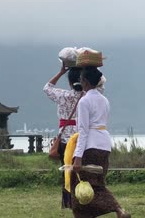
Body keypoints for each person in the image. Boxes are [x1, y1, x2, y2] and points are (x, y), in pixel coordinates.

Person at [70, 66, 130, 218]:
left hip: (90, 146)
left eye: (82, 79)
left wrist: (77, 157)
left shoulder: (84, 101)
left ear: (85, 82)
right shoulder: (104, 100)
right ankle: (117, 210)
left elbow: (83, 131)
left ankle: (116, 208)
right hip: (104, 144)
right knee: (98, 183)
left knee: (81, 184)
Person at [43, 63, 83, 209]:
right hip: (82, 139)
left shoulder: (62, 95)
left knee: (67, 171)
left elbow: (47, 88)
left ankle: (68, 202)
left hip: (65, 140)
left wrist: (61, 72)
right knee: (83, 171)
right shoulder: (87, 95)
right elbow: (102, 83)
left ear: (70, 82)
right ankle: (84, 198)